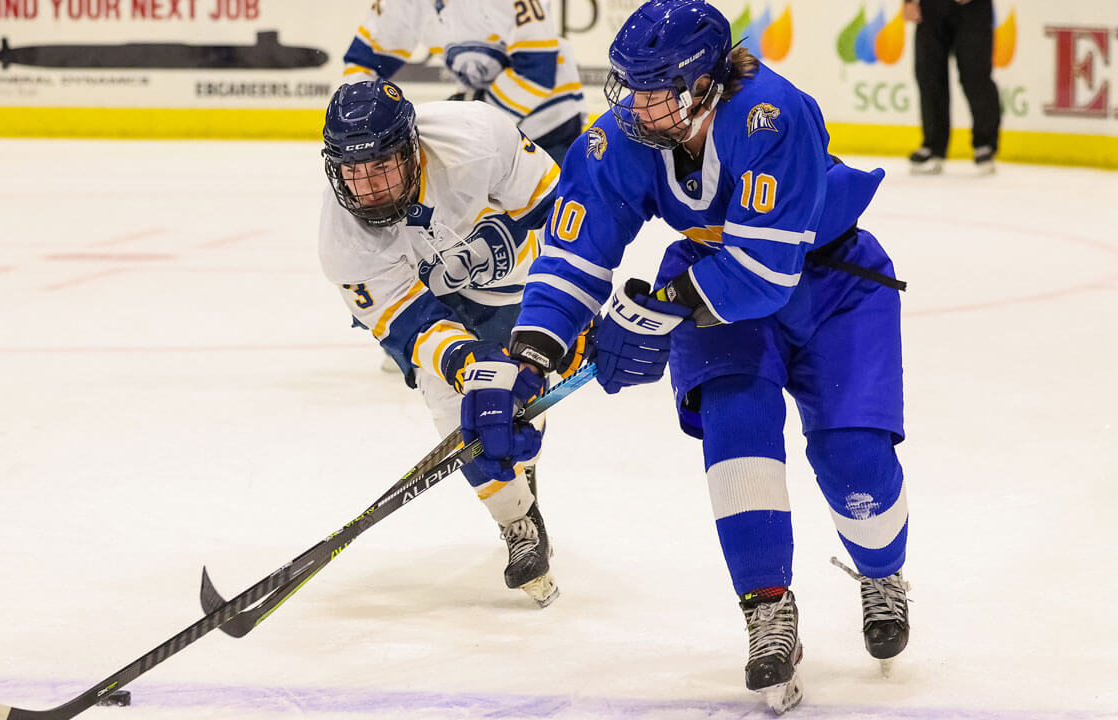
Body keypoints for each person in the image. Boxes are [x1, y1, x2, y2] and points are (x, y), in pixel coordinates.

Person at [461, 0, 911, 713]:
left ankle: (882, 570)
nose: (640, 105)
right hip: (706, 281)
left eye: (658, 90)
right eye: (632, 87)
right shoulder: (621, 139)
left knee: (853, 460)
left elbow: (765, 273)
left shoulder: (772, 113)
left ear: (706, 82)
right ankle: (767, 613)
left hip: (830, 285)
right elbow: (573, 254)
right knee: (737, 427)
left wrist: (657, 310)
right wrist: (530, 353)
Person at [318, 79, 574, 608]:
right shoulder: (341, 241)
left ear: (412, 150)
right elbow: (409, 320)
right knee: (465, 417)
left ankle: (521, 474)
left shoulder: (475, 137)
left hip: (513, 284)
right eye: (354, 173)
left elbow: (561, 205)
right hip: (428, 300)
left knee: (517, 401)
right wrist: (463, 360)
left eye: (381, 167)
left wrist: (515, 247)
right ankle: (518, 522)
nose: (370, 188)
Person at [339, 0, 587, 164]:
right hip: (487, 131)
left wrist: (472, 120)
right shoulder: (403, 4)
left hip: (550, 126)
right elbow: (364, 64)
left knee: (551, 231)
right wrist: (358, 124)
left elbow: (536, 73)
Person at [903, 0, 1002, 174]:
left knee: (975, 75)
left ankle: (984, 143)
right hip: (930, 7)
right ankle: (933, 146)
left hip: (973, 7)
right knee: (929, 75)